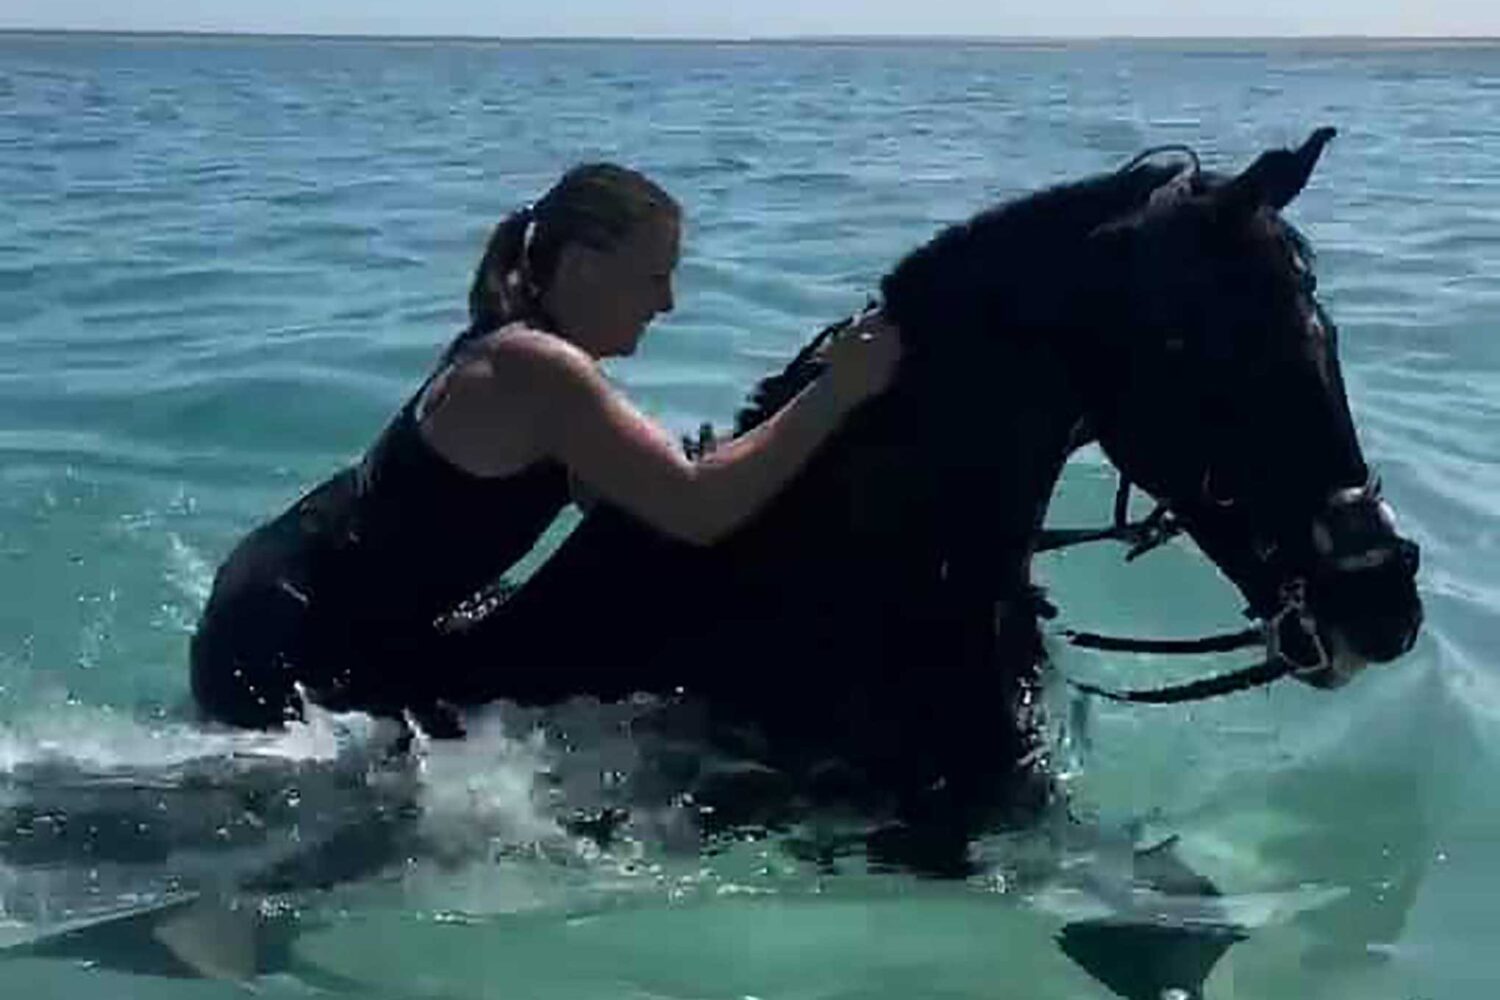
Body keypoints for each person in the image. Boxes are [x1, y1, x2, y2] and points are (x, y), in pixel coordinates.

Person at [190, 162, 902, 734]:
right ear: (587, 267)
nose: (669, 303)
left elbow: (648, 506)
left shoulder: (529, 353)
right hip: (282, 634)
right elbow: (698, 508)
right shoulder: (538, 368)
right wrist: (835, 392)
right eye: (655, 276)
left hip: (305, 600)